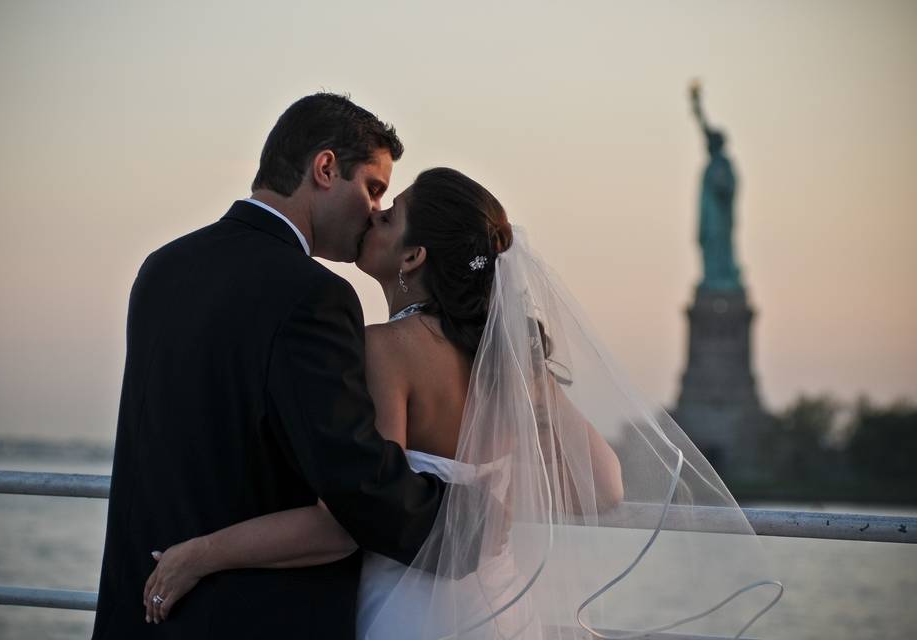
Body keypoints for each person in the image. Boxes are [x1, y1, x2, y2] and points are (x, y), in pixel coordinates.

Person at [140, 168, 782, 639]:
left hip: (409, 611)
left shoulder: (386, 349)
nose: (376, 215)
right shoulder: (512, 363)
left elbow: (349, 520)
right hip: (498, 609)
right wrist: (490, 492)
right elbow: (606, 484)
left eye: (389, 218)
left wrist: (198, 554)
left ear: (414, 257)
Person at [92, 94, 477, 639]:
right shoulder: (313, 296)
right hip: (252, 619)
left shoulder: (162, 269)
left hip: (143, 614)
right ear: (324, 169)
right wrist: (467, 520)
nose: (373, 213)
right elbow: (355, 485)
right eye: (372, 188)